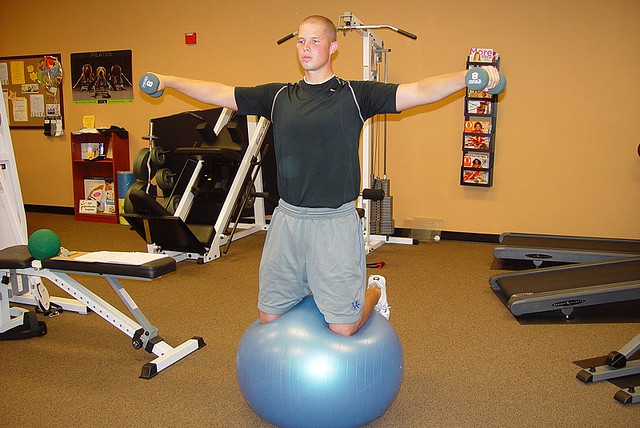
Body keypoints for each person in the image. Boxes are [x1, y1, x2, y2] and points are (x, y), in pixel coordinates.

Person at [145, 15, 499, 336]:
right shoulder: (279, 96)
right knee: (269, 316)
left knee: (343, 327)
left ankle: (375, 288)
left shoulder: (356, 95)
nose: (306, 48)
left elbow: (419, 91)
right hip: (287, 220)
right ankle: (316, 285)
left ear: (333, 47)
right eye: (301, 40)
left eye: (314, 41)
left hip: (334, 222)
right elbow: (221, 92)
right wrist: (168, 80)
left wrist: (466, 78)